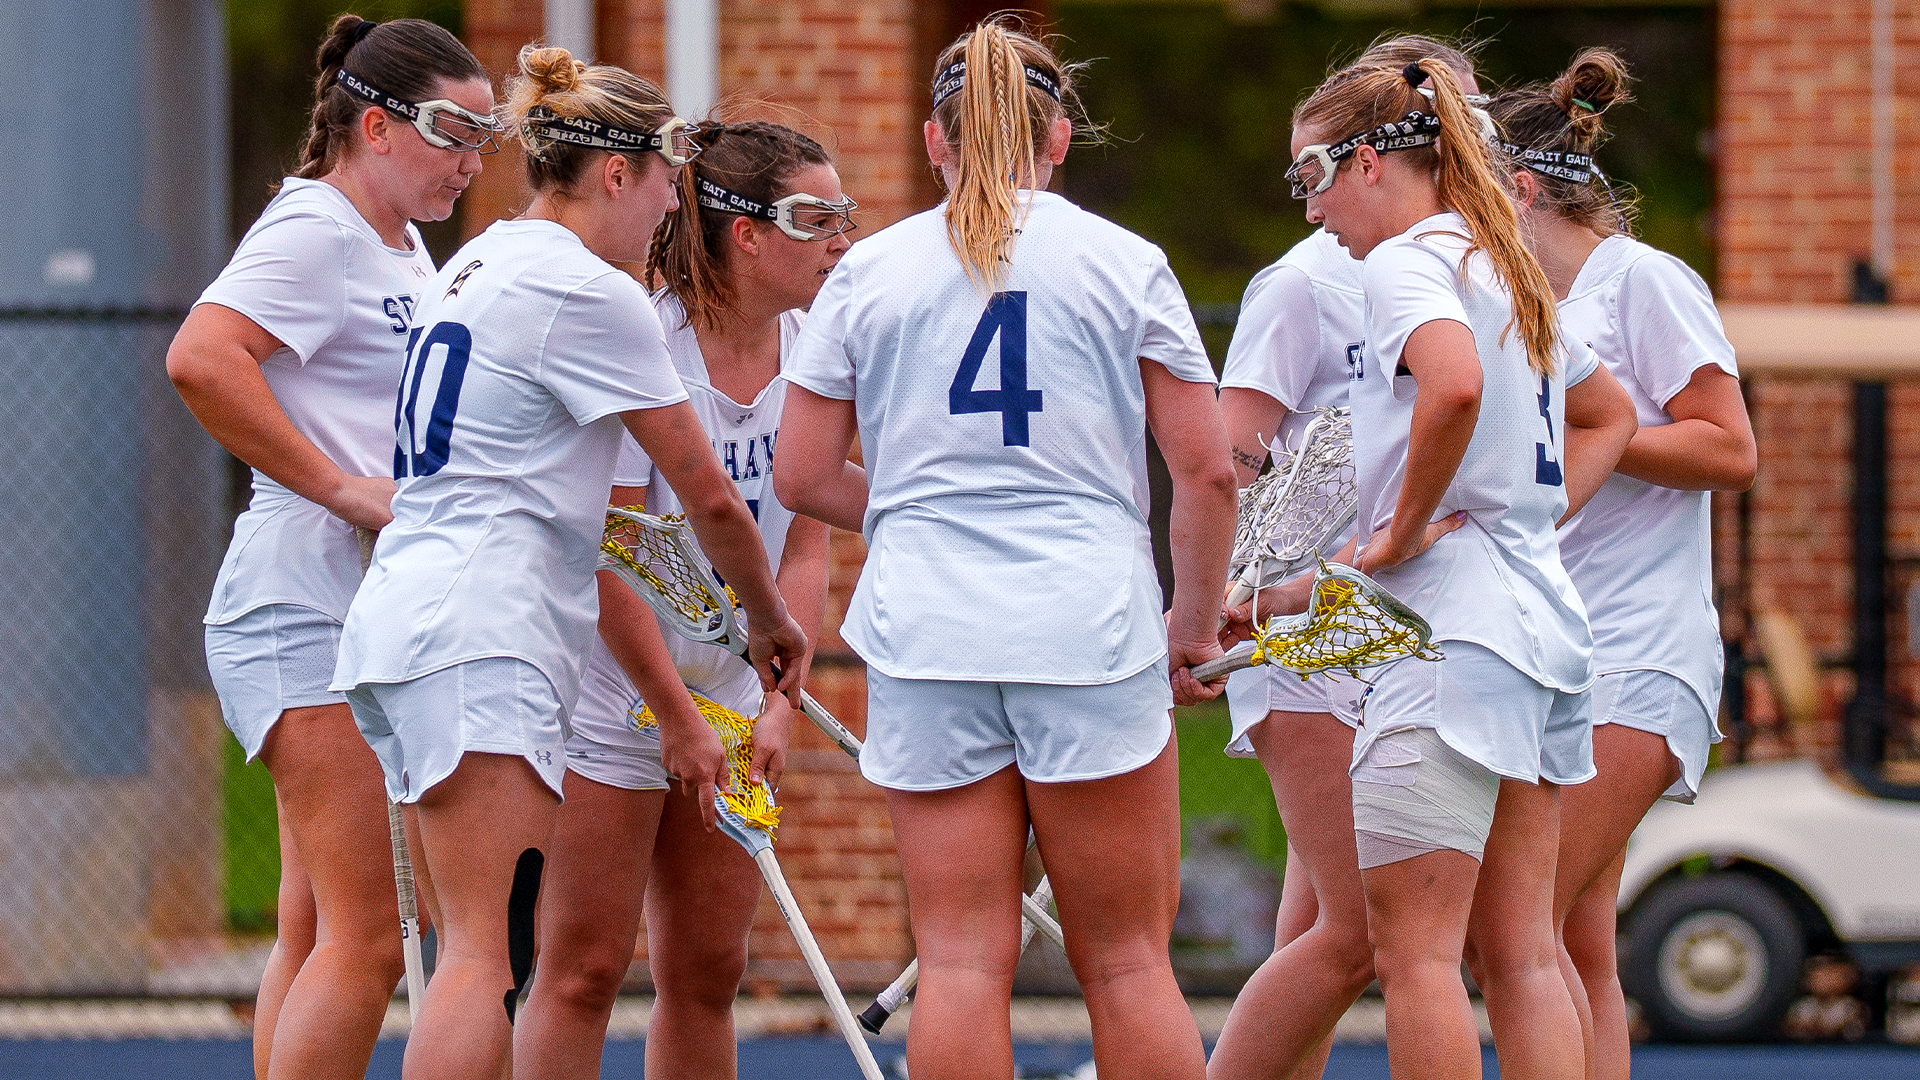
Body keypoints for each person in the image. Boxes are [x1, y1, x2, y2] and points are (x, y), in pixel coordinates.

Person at [329, 46, 809, 1080]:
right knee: (481, 960)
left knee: (469, 947)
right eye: (662, 192)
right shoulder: (592, 293)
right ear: (617, 173)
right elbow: (712, 497)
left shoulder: (479, 257)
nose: (667, 223)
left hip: (413, 619)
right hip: (479, 631)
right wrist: (772, 624)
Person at [774, 17, 1237, 1080]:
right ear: (1060, 138)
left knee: (960, 960)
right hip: (1089, 622)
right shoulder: (1126, 263)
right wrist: (1193, 622)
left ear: (934, 142)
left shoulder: (870, 272)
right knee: (1126, 963)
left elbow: (798, 477)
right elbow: (1206, 473)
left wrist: (919, 511)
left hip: (928, 625)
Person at [1273, 56, 1637, 1080]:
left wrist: (1401, 531)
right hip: (1539, 627)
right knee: (1523, 954)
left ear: (1371, 162)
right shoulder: (1503, 261)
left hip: (1446, 641)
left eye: (1309, 177)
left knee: (1417, 957)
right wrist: (1509, 516)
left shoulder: (1403, 266)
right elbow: (1609, 414)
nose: (1312, 213)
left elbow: (1454, 387)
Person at [164, 16, 495, 1079]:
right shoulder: (316, 224)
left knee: (318, 932)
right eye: (453, 130)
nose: (472, 161)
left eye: (486, 137)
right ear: (376, 124)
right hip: (301, 602)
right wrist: (343, 488)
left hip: (360, 607)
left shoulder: (401, 242)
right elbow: (202, 359)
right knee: (370, 935)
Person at [512, 119, 853, 1080]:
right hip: (615, 692)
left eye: (846, 214)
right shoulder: (643, 343)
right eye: (815, 216)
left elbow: (804, 542)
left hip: (732, 696)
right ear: (746, 233)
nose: (841, 238)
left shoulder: (818, 351)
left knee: (709, 969)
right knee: (579, 968)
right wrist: (670, 713)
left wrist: (779, 704)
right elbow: (610, 553)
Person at [1207, 34, 1487, 1080]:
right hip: (1316, 625)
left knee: (1326, 932)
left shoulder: (1471, 264)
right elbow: (1229, 449)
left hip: (1411, 625)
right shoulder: (1309, 281)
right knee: (1358, 936)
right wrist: (1249, 579)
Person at [1490, 51, 1756, 1080]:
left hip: (1636, 651)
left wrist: (1590, 426)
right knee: (1573, 941)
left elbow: (1729, 448)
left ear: (1516, 188)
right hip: (1558, 648)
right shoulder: (1520, 303)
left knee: (1509, 928)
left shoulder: (1641, 279)